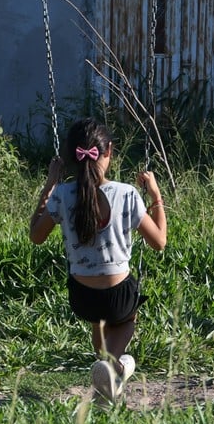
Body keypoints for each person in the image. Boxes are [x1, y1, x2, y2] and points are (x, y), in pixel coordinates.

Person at [29, 118, 167, 401]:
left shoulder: (63, 195)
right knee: (127, 319)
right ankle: (113, 364)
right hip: (119, 297)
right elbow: (159, 242)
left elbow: (36, 236)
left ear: (70, 157)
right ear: (109, 152)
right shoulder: (126, 194)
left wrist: (50, 185)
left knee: (99, 328)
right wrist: (155, 195)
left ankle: (112, 380)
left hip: (82, 298)